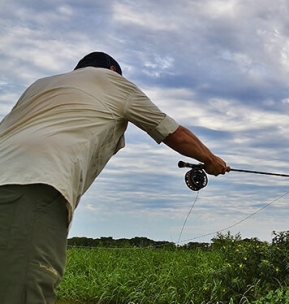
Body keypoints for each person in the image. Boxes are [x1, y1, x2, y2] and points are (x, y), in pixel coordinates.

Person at [0, 51, 230, 303]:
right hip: (32, 182)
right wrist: (211, 160)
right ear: (112, 70)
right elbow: (174, 133)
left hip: (12, 175)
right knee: (23, 292)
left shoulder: (39, 86)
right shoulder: (113, 81)